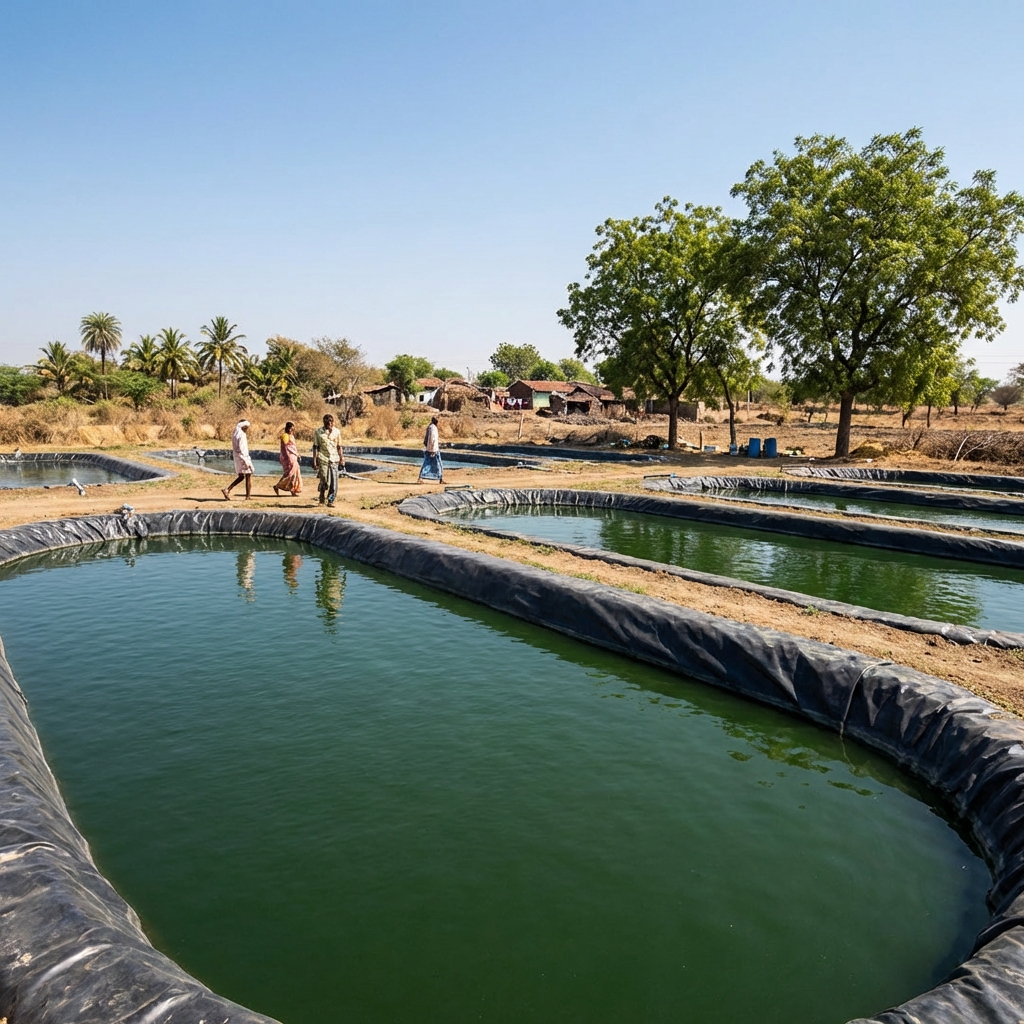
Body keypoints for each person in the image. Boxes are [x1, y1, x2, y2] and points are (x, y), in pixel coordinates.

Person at [312, 413, 345, 507]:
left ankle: (331, 500)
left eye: (331, 423)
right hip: (323, 458)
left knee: (334, 482)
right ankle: (322, 493)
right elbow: (315, 447)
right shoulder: (318, 432)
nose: (330, 425)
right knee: (325, 480)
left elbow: (339, 446)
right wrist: (314, 461)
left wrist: (342, 458)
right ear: (325, 424)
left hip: (334, 459)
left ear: (333, 422)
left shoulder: (337, 432)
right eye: (328, 424)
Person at [223, 420, 253, 499]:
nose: (247, 429)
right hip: (242, 457)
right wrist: (245, 459)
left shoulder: (235, 434)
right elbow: (242, 448)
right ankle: (248, 496)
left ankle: (227, 489)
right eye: (246, 427)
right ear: (244, 427)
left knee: (241, 476)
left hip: (237, 457)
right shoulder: (242, 435)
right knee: (248, 474)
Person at [273, 421, 303, 497]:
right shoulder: (285, 436)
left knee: (294, 473)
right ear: (287, 428)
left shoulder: (291, 436)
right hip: (287, 457)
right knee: (290, 474)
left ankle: (292, 490)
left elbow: (293, 447)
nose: (291, 431)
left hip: (293, 457)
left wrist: (296, 454)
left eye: (292, 429)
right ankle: (278, 486)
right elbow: (287, 447)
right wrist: (297, 454)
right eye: (290, 429)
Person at [418, 416, 443, 483]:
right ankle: (421, 478)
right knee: (433, 464)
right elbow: (432, 439)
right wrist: (433, 450)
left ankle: (440, 478)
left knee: (435, 464)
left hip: (431, 448)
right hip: (433, 449)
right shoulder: (433, 428)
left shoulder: (431, 427)